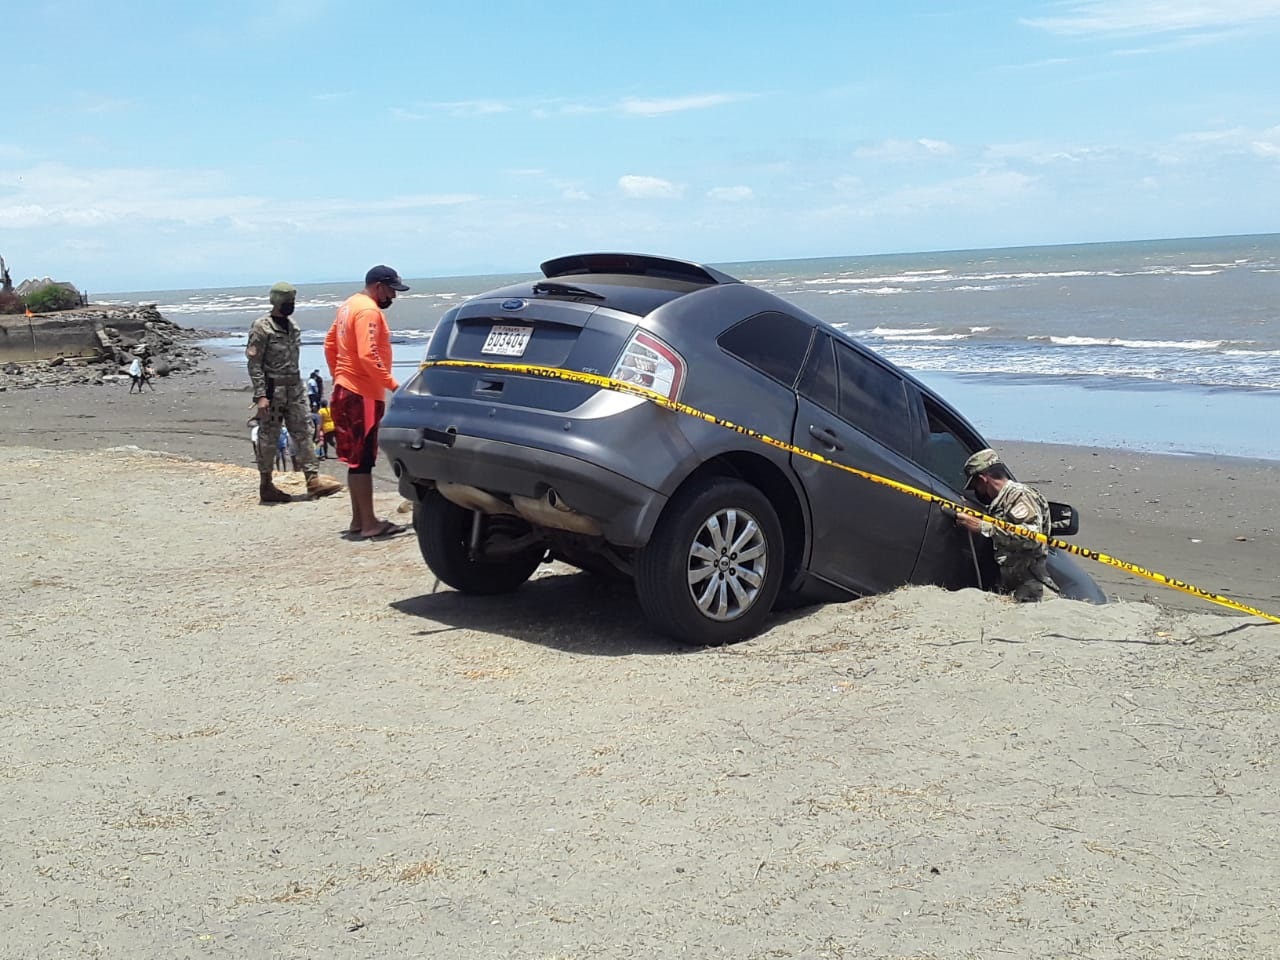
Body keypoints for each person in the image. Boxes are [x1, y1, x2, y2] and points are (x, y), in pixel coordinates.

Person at [324, 265, 408, 539]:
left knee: (356, 460)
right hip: (362, 394)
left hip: (346, 389)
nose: (393, 297)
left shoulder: (349, 305)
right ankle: (369, 523)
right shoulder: (368, 311)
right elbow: (368, 355)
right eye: (392, 290)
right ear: (378, 287)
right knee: (363, 461)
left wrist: (338, 375)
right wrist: (394, 386)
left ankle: (359, 520)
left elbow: (329, 344)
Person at [246, 281, 344, 504]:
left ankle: (313, 480)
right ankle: (266, 484)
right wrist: (261, 395)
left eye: (292, 301)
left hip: (294, 389)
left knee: (304, 432)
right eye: (287, 301)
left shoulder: (293, 326)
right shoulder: (262, 327)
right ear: (277, 302)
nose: (291, 305)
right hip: (272, 390)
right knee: (268, 438)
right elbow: (254, 363)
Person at [952, 448, 1058, 602]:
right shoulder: (999, 503)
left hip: (1032, 587)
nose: (977, 492)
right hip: (1014, 584)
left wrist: (983, 527)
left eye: (976, 487)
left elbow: (1032, 537)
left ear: (983, 480)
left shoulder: (1019, 495)